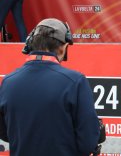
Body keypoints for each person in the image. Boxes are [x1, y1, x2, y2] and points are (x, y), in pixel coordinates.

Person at [0, 18, 103, 155]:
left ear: (31, 44)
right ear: (63, 47)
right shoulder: (75, 81)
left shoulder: (8, 82)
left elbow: (5, 133)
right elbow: (88, 142)